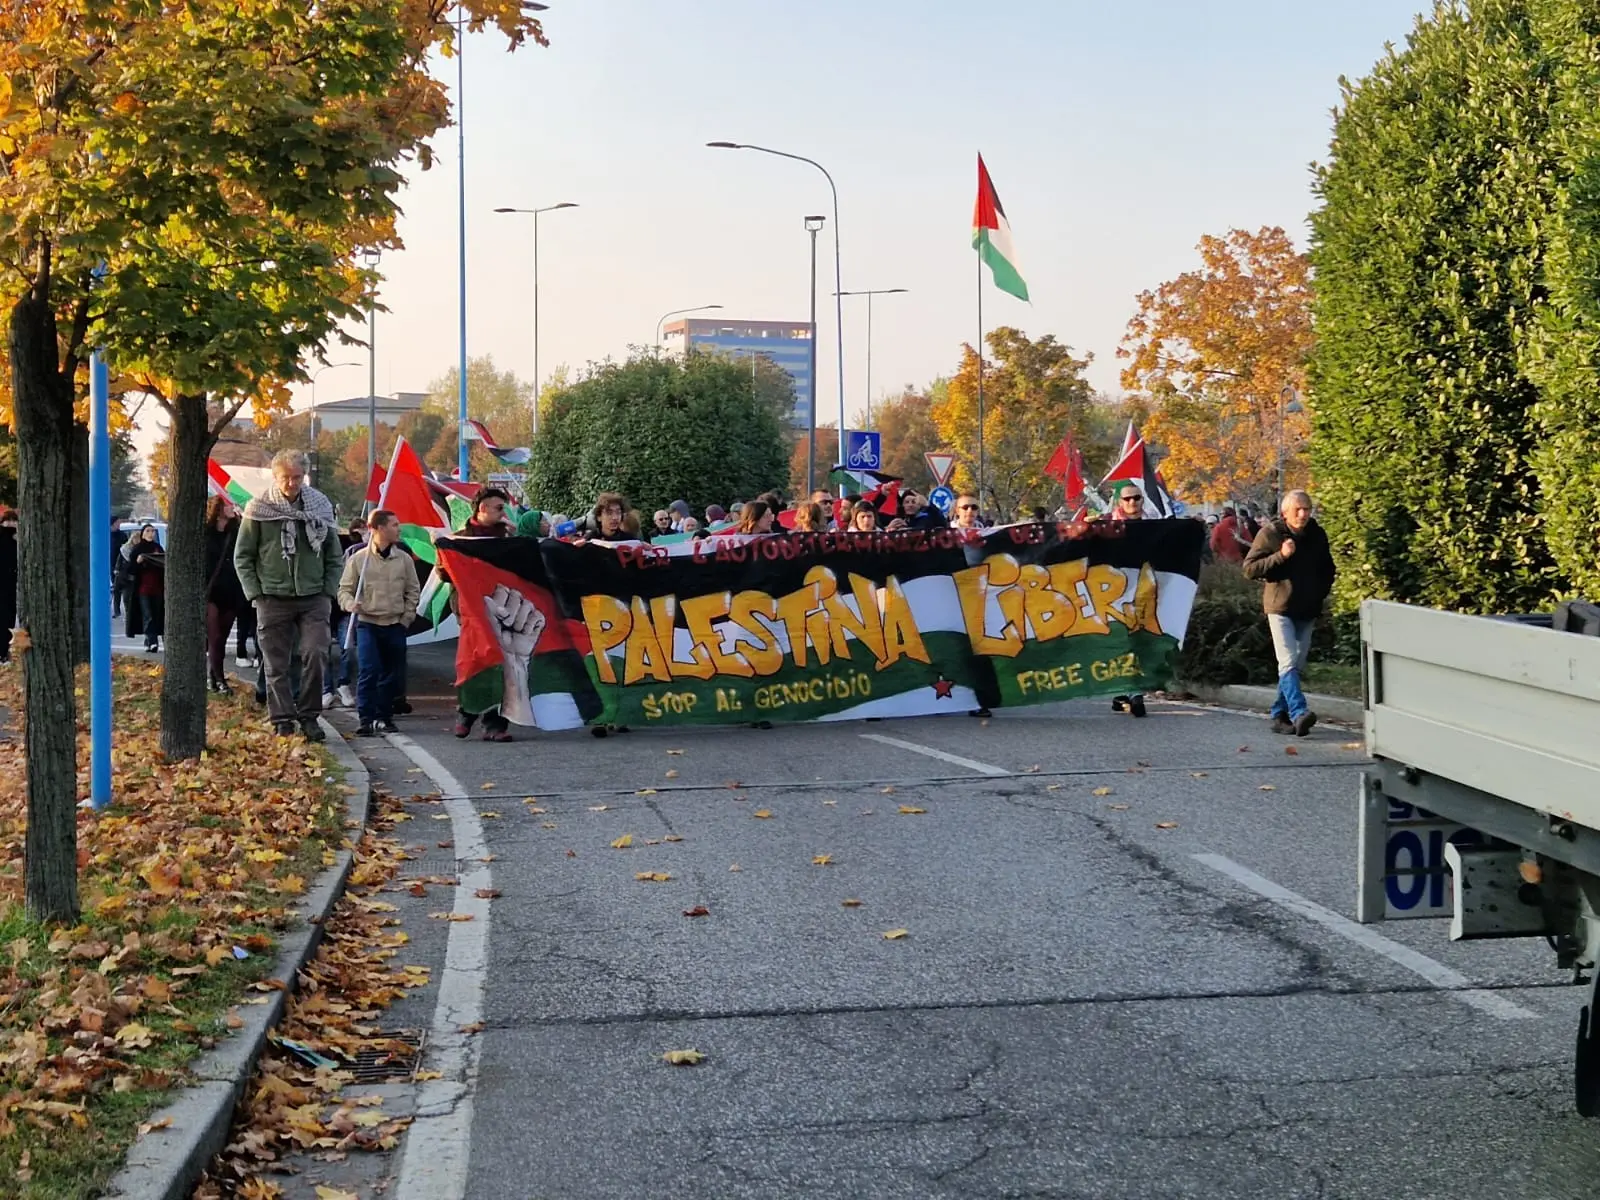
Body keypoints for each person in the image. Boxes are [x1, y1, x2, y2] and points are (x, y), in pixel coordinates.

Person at [234, 449, 343, 741]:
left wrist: (327, 591)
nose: (292, 483)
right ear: (275, 476)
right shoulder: (259, 508)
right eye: (286, 477)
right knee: (276, 663)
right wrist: (256, 593)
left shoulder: (320, 506)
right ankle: (282, 719)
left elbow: (334, 555)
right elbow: (243, 556)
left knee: (316, 654)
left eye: (297, 477)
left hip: (313, 597)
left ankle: (309, 716)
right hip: (272, 597)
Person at [1244, 489, 1336, 737]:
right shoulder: (1271, 533)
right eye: (1298, 509)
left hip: (1308, 608)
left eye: (1307, 509)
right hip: (1280, 607)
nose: (1303, 514)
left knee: (1296, 664)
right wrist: (1281, 556)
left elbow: (1328, 569)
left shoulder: (1317, 534)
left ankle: (1278, 714)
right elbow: (1250, 569)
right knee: (1287, 661)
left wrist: (1319, 593)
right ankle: (1299, 712)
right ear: (1285, 513)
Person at [443, 487, 517, 741]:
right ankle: (467, 712)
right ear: (482, 509)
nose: (503, 514)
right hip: (471, 613)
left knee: (501, 665)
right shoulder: (460, 539)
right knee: (473, 662)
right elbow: (444, 573)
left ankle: (495, 724)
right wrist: (445, 554)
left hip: (501, 610)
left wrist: (518, 543)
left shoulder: (506, 540)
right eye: (499, 508)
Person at [339, 509, 420, 738]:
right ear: (379, 528)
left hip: (395, 624)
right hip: (368, 623)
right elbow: (344, 589)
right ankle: (365, 718)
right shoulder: (359, 559)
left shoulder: (404, 559)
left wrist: (406, 617)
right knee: (369, 670)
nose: (398, 529)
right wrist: (349, 604)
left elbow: (413, 590)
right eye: (394, 525)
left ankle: (384, 716)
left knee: (392, 673)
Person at [1108, 483, 1149, 718]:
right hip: (1115, 595)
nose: (1132, 502)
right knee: (1123, 640)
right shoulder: (1107, 529)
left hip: (1146, 592)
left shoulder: (1155, 527)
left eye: (1136, 497)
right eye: (1127, 499)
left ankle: (1127, 691)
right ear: (1119, 502)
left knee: (1139, 640)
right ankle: (1128, 691)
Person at [203, 497, 248, 693]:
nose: (232, 507)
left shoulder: (237, 530)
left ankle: (212, 677)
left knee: (222, 638)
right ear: (219, 508)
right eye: (228, 504)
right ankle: (220, 679)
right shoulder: (205, 532)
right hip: (211, 591)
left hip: (232, 589)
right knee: (214, 636)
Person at [130, 523, 166, 653]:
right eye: (148, 531)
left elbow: (163, 564)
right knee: (147, 615)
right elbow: (131, 569)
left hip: (157, 588)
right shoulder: (138, 549)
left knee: (156, 615)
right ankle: (152, 641)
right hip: (143, 589)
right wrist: (138, 562)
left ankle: (149, 640)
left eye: (152, 531)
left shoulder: (158, 548)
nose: (151, 533)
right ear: (143, 533)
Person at [0, 509, 16, 665]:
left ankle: (3, 653)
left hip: (7, 586)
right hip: (9, 587)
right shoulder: (14, 542)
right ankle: (3, 652)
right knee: (7, 620)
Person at [109, 516, 128, 620]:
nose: (119, 524)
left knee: (119, 588)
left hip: (120, 566)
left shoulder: (122, 535)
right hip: (110, 564)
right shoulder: (107, 535)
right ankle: (116, 610)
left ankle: (120, 610)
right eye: (117, 523)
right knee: (115, 589)